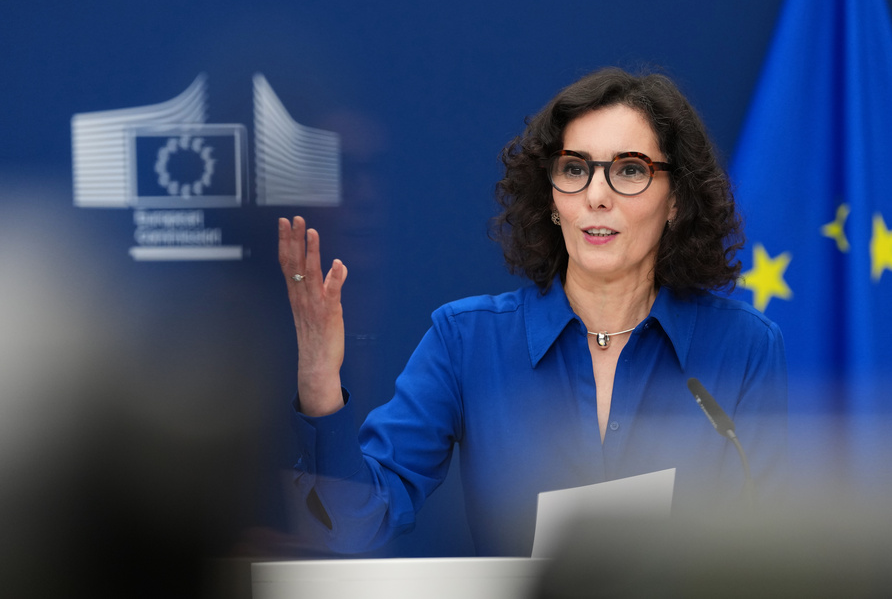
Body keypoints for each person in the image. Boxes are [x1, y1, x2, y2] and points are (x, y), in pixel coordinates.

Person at [278, 67, 787, 557]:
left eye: (630, 170)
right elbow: (352, 525)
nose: (596, 196)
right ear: (550, 199)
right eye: (574, 169)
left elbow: (778, 546)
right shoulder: (466, 341)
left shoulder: (743, 346)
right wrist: (321, 382)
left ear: (676, 200)